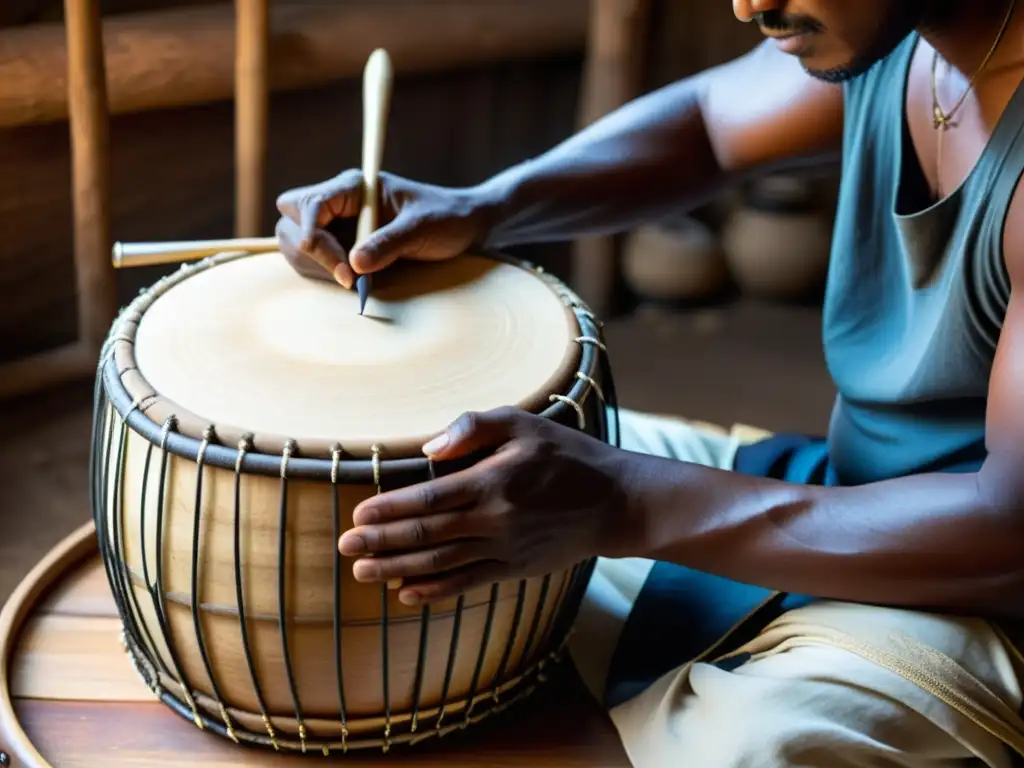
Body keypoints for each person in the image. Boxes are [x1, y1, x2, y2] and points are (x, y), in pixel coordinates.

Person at [274, 1, 1024, 765]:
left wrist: (627, 501)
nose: (747, 4)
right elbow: (708, 122)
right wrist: (485, 207)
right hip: (842, 489)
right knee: (451, 485)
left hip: (974, 585)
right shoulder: (903, 35)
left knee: (749, 747)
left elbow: (1009, 536)